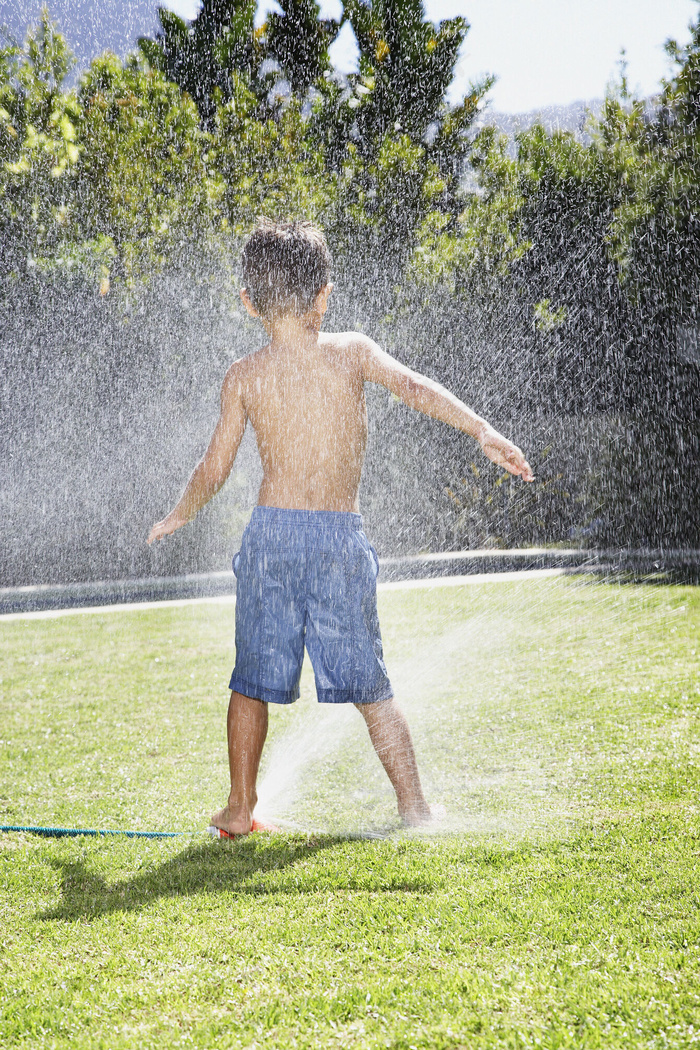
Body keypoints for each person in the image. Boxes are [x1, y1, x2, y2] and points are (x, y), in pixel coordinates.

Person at [148, 219, 534, 837]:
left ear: (248, 302)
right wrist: (481, 429)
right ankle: (414, 806)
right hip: (336, 540)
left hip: (270, 541)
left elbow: (212, 468)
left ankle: (241, 808)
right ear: (324, 294)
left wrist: (178, 514)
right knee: (371, 684)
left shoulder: (244, 375)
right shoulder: (351, 351)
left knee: (251, 681)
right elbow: (414, 387)